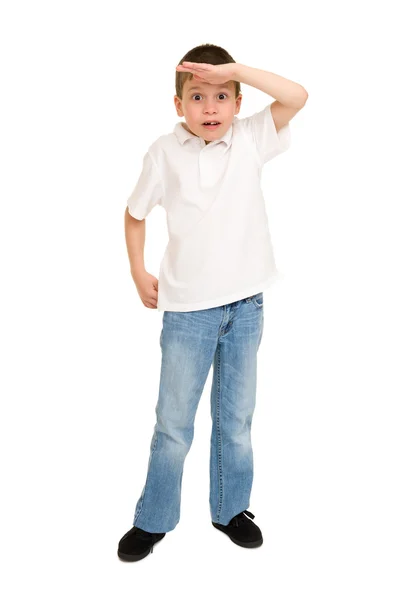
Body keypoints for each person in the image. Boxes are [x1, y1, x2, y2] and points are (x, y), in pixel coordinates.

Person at [117, 43, 308, 562]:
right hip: (188, 312)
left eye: (222, 96)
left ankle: (230, 509)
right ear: (179, 105)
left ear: (238, 101)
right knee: (174, 424)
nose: (210, 107)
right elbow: (134, 215)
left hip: (246, 307)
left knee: (236, 419)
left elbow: (299, 96)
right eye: (197, 96)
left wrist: (237, 68)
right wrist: (138, 270)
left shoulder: (250, 139)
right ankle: (153, 520)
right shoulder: (164, 151)